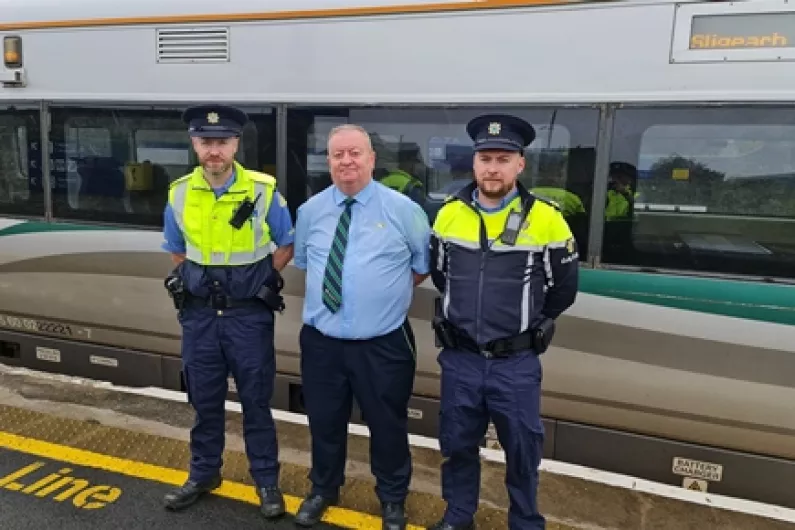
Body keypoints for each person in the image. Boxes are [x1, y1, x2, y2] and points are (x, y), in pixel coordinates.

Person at [427, 114, 579, 530]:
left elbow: (563, 290)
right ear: (474, 164)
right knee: (457, 445)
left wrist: (527, 329)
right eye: (486, 158)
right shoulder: (448, 215)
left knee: (522, 452)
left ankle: (525, 521)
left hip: (515, 363)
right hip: (460, 360)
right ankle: (459, 515)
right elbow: (441, 276)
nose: (493, 167)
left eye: (503, 158)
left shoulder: (547, 219)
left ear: (520, 165)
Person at [293, 124, 431, 530]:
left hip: (383, 343)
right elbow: (306, 263)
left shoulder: (403, 210)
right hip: (322, 344)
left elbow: (420, 267)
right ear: (329, 161)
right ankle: (322, 489)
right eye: (338, 155)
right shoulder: (311, 211)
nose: (346, 161)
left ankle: (391, 499)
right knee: (323, 420)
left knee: (387, 425)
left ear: (372, 159)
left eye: (355, 153)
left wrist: (380, 295)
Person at [160, 104, 295, 520]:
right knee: (204, 401)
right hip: (199, 317)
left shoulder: (263, 190)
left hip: (247, 317)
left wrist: (256, 280)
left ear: (236, 144)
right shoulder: (179, 192)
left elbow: (286, 243)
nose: (213, 150)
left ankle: (266, 482)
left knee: (256, 402)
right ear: (194, 145)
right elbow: (176, 249)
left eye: (221, 142)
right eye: (206, 142)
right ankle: (203, 474)